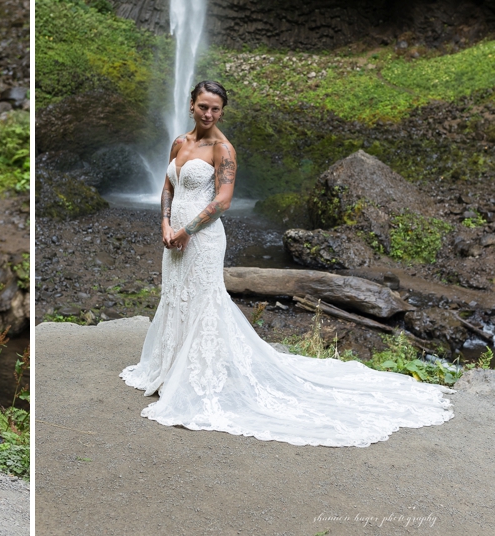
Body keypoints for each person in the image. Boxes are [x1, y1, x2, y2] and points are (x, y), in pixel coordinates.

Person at [119, 80, 452, 446]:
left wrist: (187, 230)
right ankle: (169, 369)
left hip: (202, 239)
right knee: (176, 295)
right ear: (191, 106)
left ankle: (199, 378)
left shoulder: (223, 149)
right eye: (203, 106)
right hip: (174, 237)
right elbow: (169, 187)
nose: (208, 114)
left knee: (202, 301)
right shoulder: (180, 143)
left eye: (215, 109)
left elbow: (224, 201)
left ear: (222, 112)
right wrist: (166, 224)